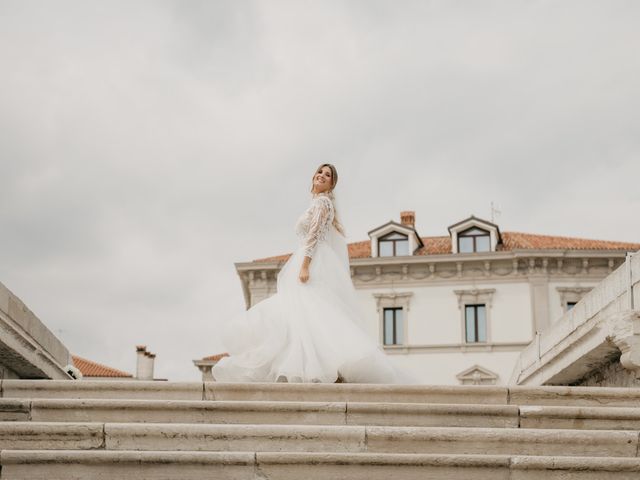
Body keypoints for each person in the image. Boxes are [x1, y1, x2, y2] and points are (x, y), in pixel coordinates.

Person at [212, 164, 406, 383]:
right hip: (310, 258)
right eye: (320, 172)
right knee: (305, 315)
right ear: (314, 176)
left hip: (313, 261)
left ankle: (323, 367)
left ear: (332, 184)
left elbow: (314, 234)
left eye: (327, 175)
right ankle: (319, 367)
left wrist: (305, 266)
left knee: (308, 312)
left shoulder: (323, 203)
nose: (322, 176)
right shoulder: (317, 203)